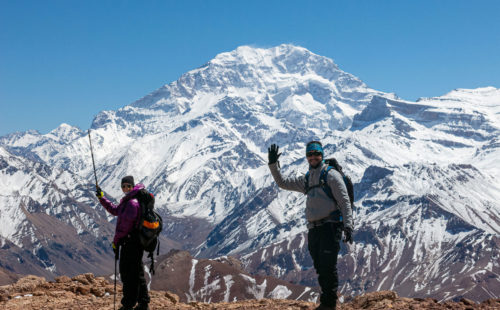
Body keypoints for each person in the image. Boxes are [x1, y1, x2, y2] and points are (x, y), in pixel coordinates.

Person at [267, 141, 353, 310]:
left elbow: (344, 202)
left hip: (330, 226)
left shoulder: (331, 175)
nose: (313, 157)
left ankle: (329, 305)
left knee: (328, 265)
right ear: (307, 157)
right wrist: (273, 165)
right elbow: (283, 182)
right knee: (320, 266)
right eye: (310, 154)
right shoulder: (308, 178)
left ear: (322, 155)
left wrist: (348, 225)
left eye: (316, 154)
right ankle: (326, 302)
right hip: (314, 228)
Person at [96, 176, 150, 310]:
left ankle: (128, 304)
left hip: (129, 243)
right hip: (135, 243)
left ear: (132, 186)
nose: (125, 188)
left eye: (128, 186)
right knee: (137, 273)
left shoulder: (131, 203)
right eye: (123, 186)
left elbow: (124, 227)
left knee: (128, 274)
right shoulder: (130, 201)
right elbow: (115, 210)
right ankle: (143, 303)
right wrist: (102, 198)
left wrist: (116, 242)